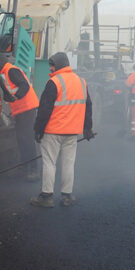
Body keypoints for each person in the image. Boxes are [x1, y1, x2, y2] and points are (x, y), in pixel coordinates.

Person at [31, 52, 94, 208]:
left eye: (52, 65)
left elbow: (44, 109)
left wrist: (38, 129)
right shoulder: (81, 82)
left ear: (58, 65)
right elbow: (88, 107)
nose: (50, 68)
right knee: (68, 163)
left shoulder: (54, 82)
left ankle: (46, 196)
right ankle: (67, 196)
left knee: (49, 163)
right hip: (72, 132)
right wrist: (87, 128)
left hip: (52, 131)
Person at [0, 53, 40, 181]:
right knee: (21, 139)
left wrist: (16, 96)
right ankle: (25, 167)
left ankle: (33, 169)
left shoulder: (11, 71)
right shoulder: (7, 72)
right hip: (22, 110)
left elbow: (24, 85)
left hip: (27, 109)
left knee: (27, 139)